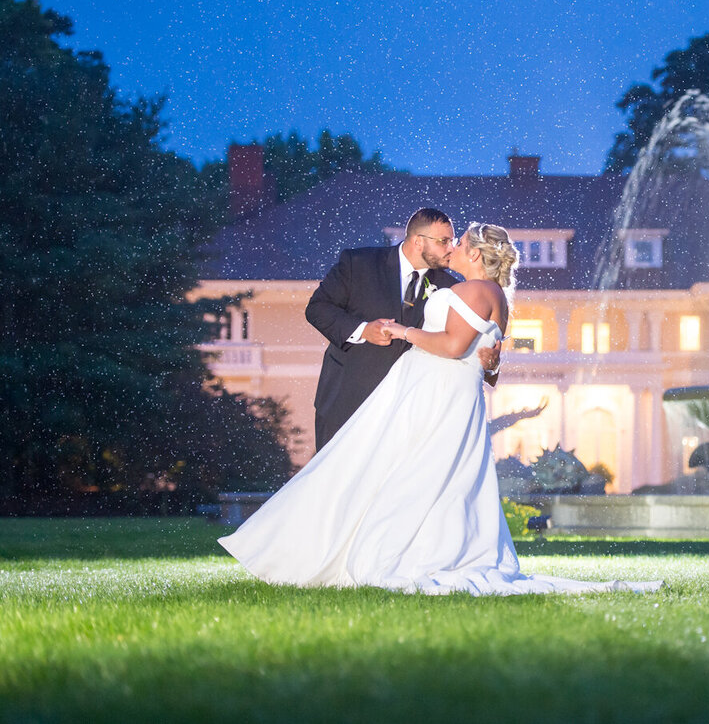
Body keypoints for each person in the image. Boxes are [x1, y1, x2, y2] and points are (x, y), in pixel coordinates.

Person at [220, 223, 660, 596]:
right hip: (446, 391)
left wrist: (401, 331)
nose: (451, 249)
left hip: (437, 393)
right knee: (429, 476)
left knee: (409, 473)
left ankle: (389, 552)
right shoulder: (489, 293)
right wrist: (487, 362)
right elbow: (488, 365)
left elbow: (451, 347)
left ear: (472, 252)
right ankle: (417, 546)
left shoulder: (471, 289)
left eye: (458, 242)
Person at [305, 207, 500, 450]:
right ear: (418, 241)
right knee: (336, 484)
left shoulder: (452, 288)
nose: (450, 248)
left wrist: (492, 365)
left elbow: (463, 344)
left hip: (409, 411)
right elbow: (317, 308)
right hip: (348, 397)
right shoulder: (359, 263)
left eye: (453, 241)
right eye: (443, 241)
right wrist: (364, 330)